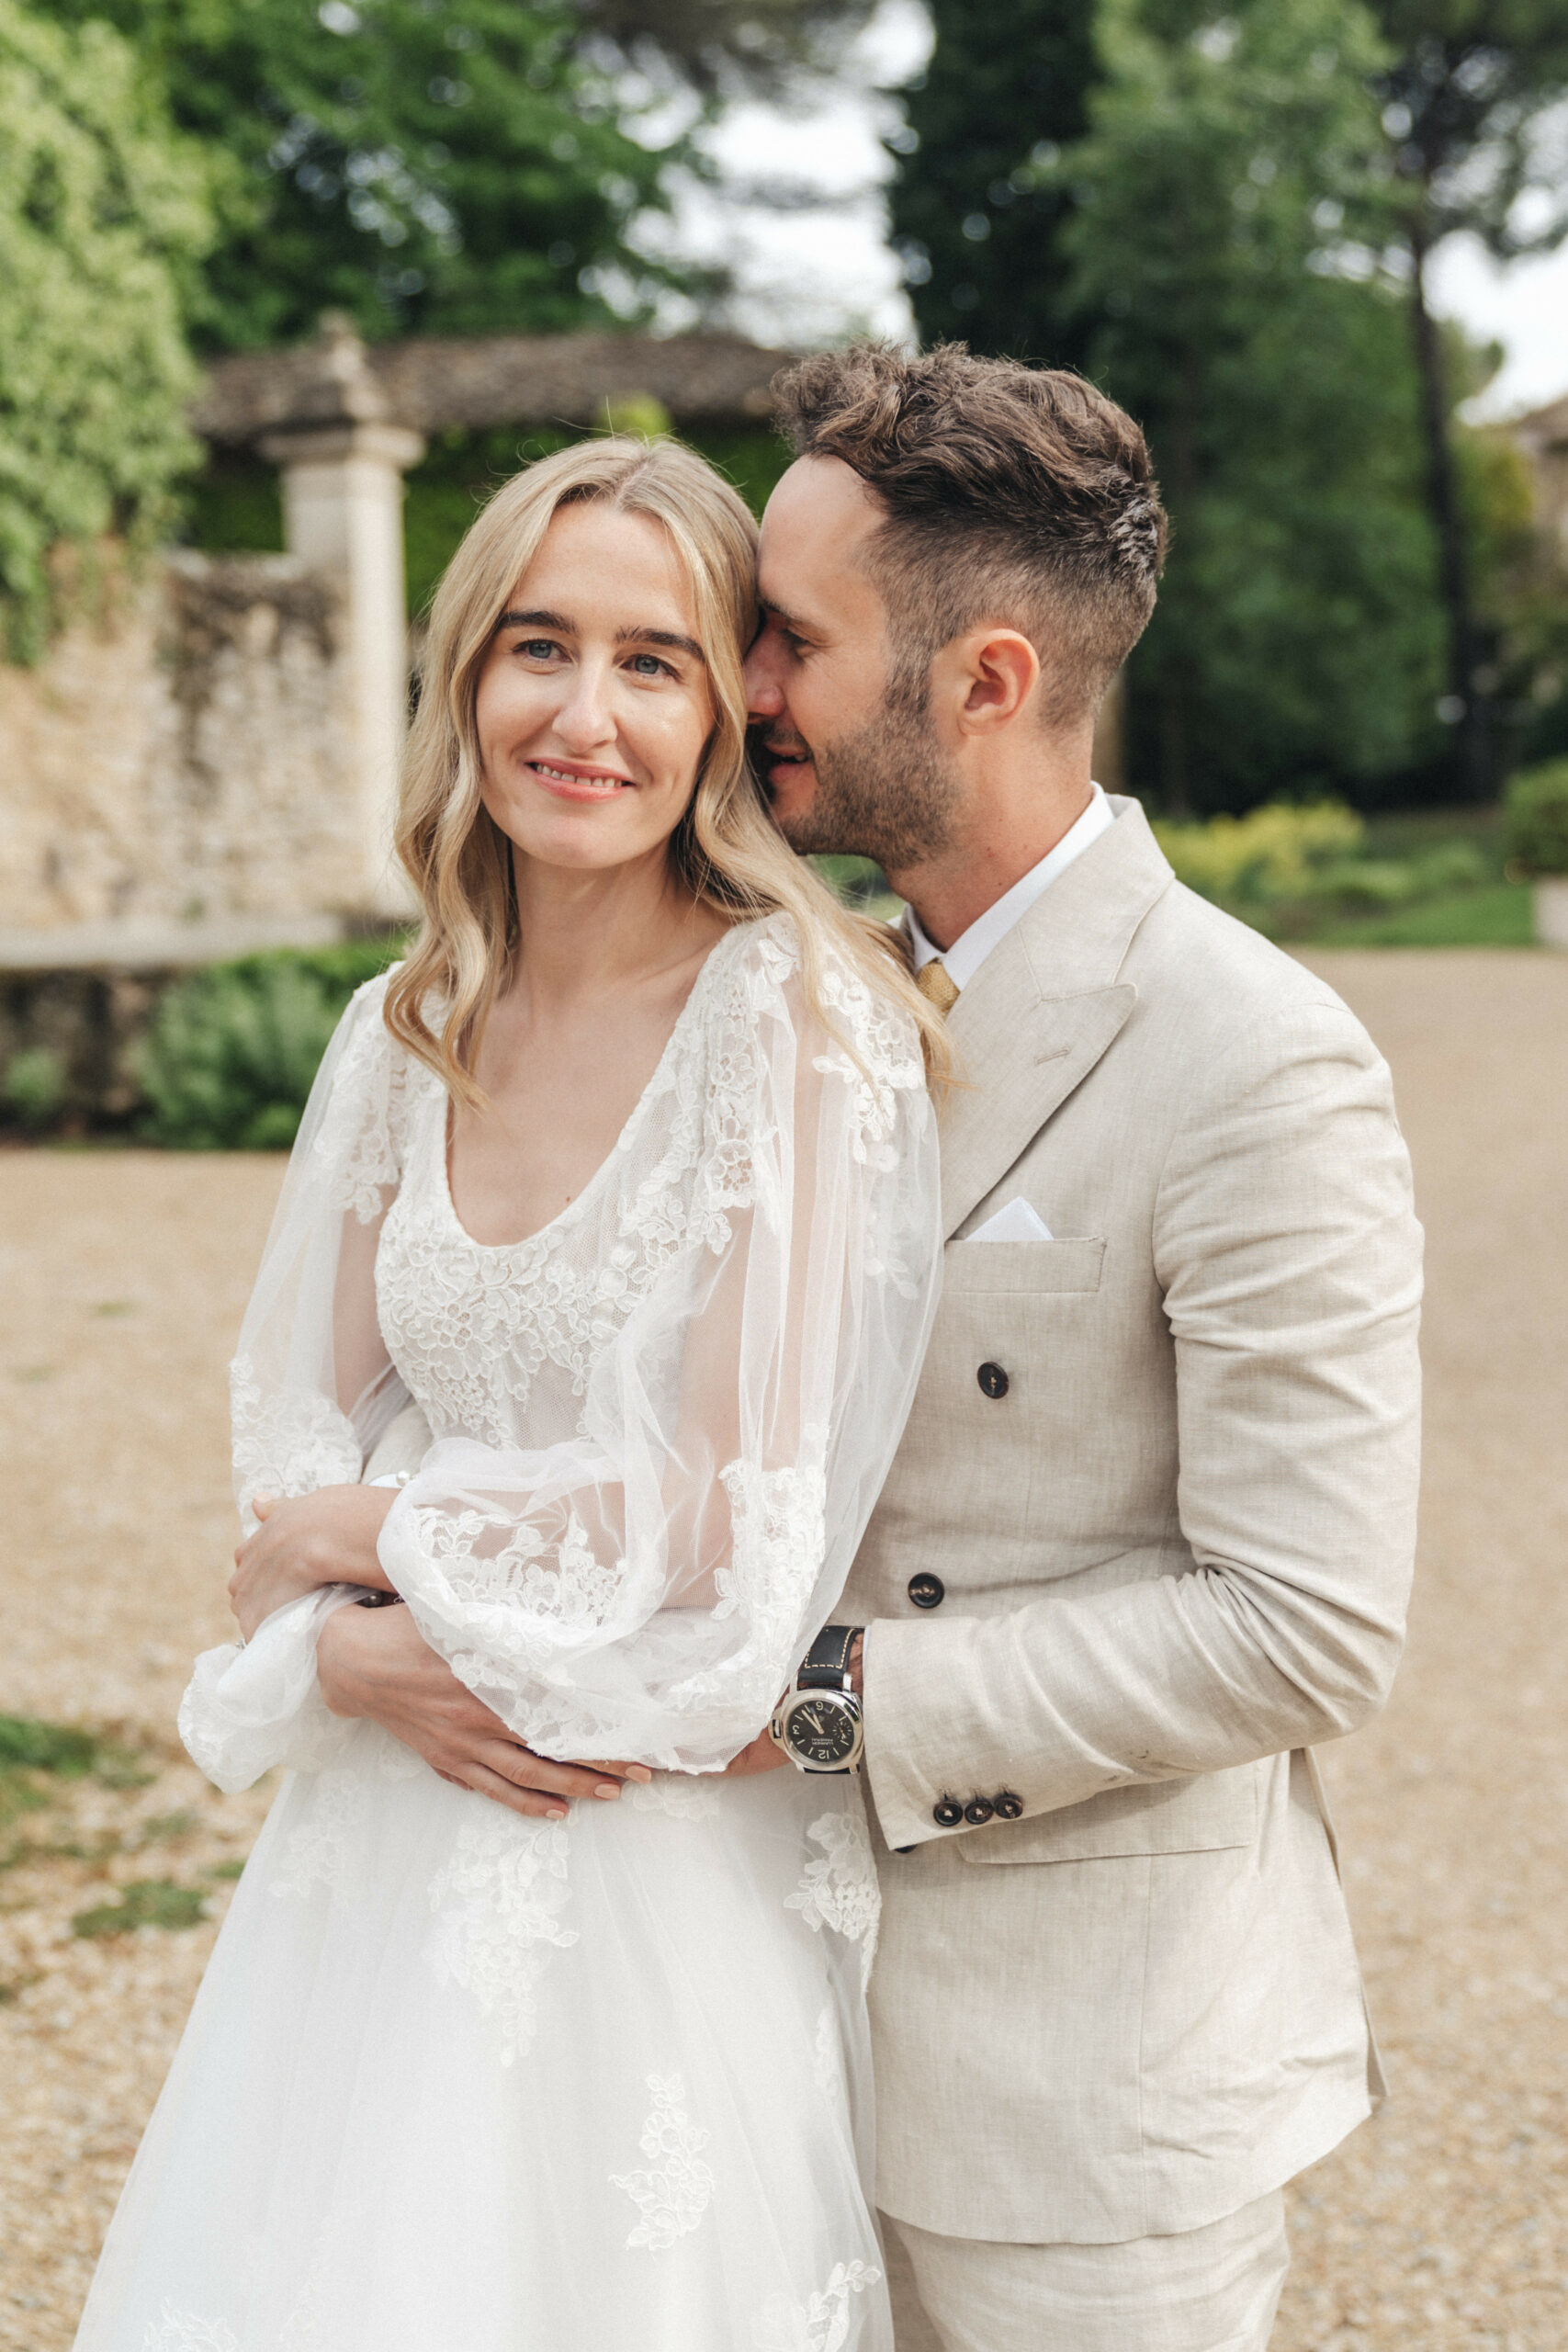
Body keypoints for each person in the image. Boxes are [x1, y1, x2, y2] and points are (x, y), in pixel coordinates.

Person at [71, 435, 947, 2352]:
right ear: (462, 669)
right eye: (536, 644)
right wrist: (338, 1656)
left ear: (727, 711)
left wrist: (370, 1540)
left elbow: (725, 1524)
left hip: (627, 1853)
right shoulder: (403, 1031)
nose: (582, 713)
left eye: (654, 661)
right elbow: (281, 1437)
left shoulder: (787, 1022)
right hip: (377, 1841)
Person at [735, 345, 1423, 2352]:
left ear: (986, 678)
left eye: (788, 638)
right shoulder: (801, 992)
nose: (741, 683)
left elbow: (1305, 1623)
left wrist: (816, 1703)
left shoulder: (1254, 1054)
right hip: (755, 2010)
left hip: (1077, 2098)